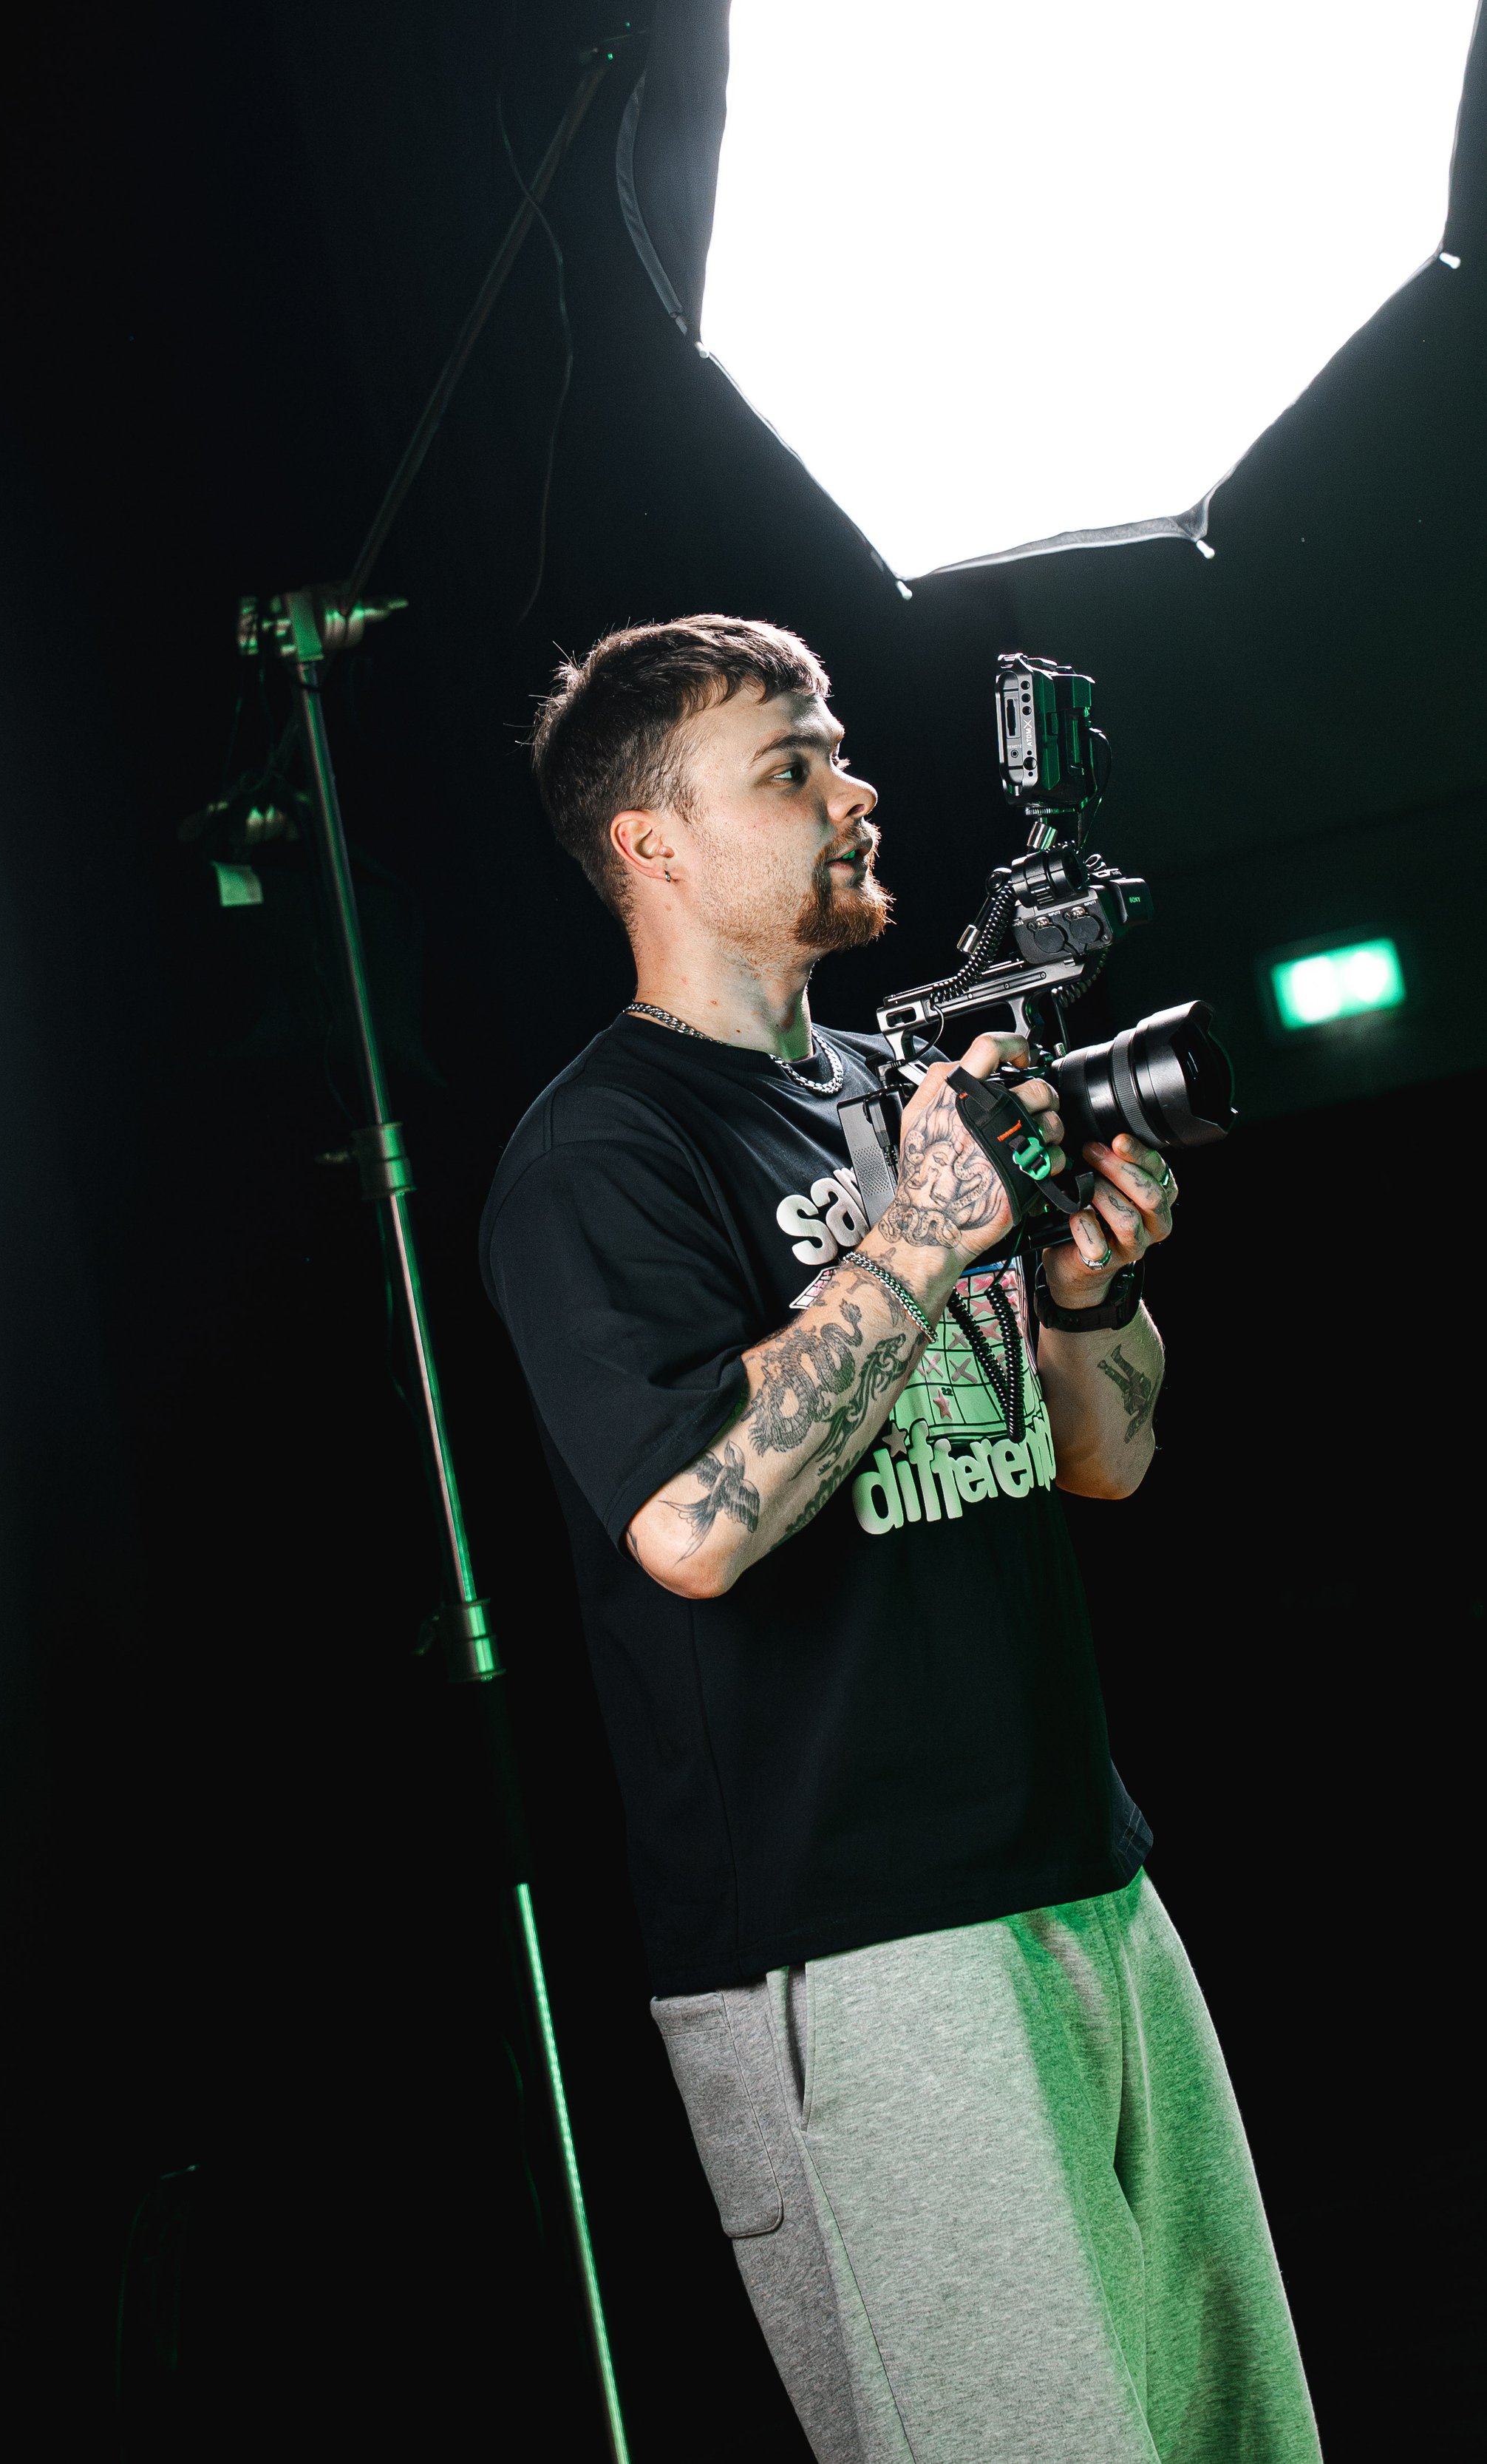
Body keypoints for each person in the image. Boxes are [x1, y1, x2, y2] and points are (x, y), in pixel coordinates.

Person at [480, 617, 1319, 2462]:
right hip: (861, 1950)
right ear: (650, 843)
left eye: (838, 747)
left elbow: (1099, 1457)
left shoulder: (898, 1092)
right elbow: (688, 1525)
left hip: (1088, 1879)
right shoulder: (599, 1157)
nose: (852, 788)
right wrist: (926, 1231)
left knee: (1239, 2436)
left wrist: (1088, 1288)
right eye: (789, 766)